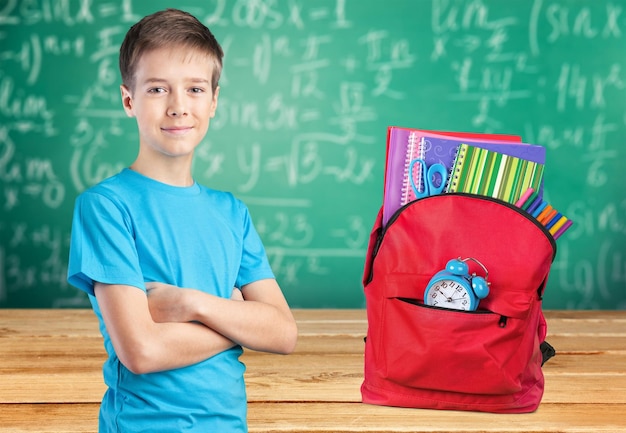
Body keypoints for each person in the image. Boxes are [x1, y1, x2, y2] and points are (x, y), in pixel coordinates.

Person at [67, 8, 298, 432]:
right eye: (157, 89)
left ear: (214, 101)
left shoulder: (232, 212)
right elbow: (142, 351)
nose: (178, 107)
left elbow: (283, 333)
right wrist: (238, 320)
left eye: (194, 89)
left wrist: (191, 305)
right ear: (129, 100)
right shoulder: (105, 206)